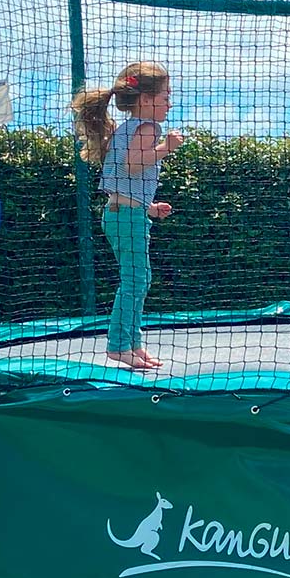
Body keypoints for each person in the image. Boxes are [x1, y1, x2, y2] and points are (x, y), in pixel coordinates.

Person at [73, 62, 183, 369]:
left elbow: (124, 180)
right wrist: (166, 148)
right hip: (126, 217)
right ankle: (119, 345)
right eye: (165, 97)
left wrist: (149, 207)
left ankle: (132, 343)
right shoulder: (148, 128)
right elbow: (134, 166)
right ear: (146, 100)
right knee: (135, 279)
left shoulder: (125, 129)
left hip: (122, 212)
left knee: (138, 278)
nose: (168, 104)